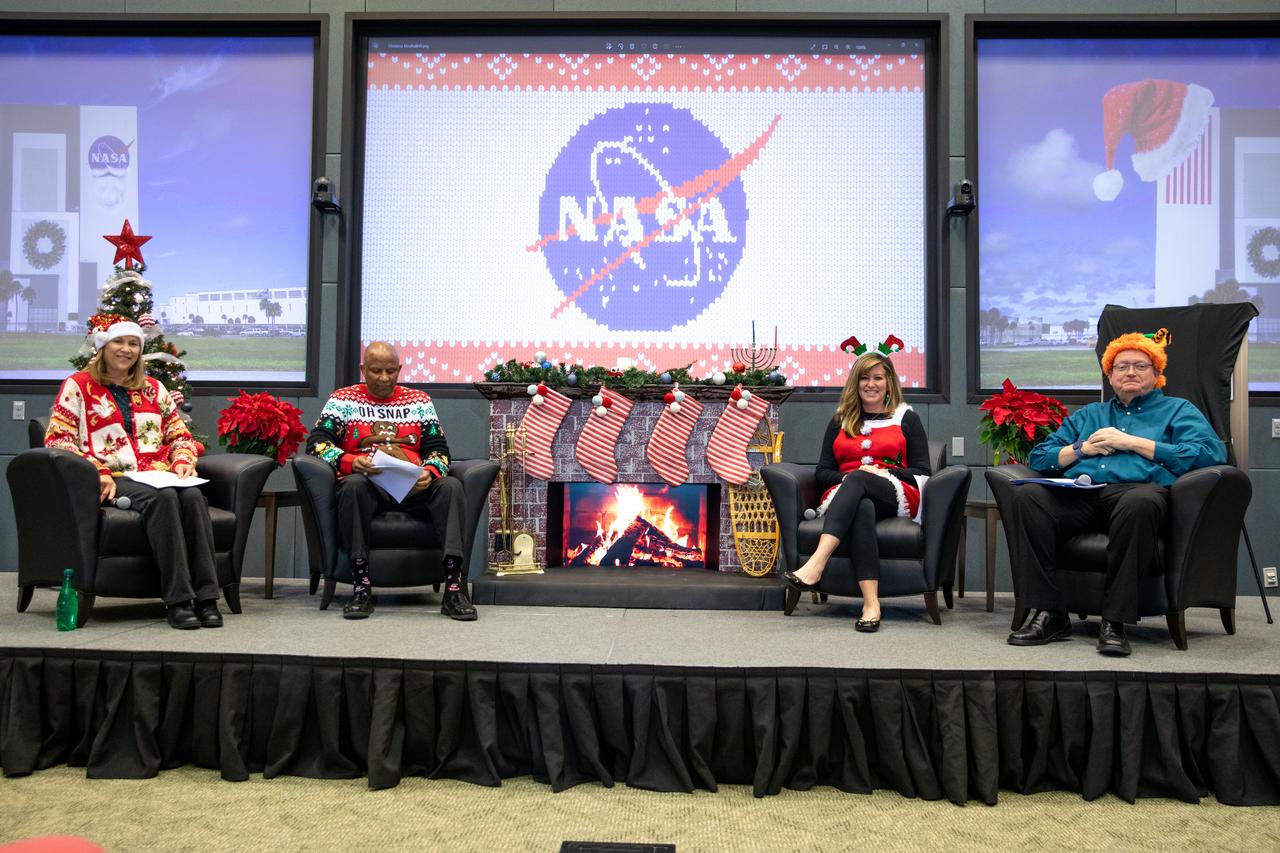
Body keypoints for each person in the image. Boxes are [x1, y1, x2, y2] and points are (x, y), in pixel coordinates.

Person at [1006, 332, 1226, 656]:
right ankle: (1050, 612)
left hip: (1139, 493)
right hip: (1085, 494)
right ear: (1110, 375)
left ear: (1156, 373)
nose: (1130, 373)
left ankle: (1115, 622)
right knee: (1028, 498)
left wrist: (1133, 443)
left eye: (1140, 366)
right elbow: (1040, 457)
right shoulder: (1090, 415)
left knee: (1138, 503)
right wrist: (1081, 448)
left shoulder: (1178, 411)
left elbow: (1210, 454)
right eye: (1121, 367)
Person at [45, 318, 222, 630]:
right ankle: (179, 600)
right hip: (114, 477)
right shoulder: (79, 386)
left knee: (193, 495)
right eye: (119, 342)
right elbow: (58, 440)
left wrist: (182, 459)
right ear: (104, 346)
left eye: (133, 344)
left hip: (157, 472)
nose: (126, 350)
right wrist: (96, 471)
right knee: (165, 499)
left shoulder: (154, 389)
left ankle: (207, 598)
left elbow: (180, 435)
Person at [307, 341, 475, 621]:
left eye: (390, 371)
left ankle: (454, 590)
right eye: (375, 371)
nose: (383, 378)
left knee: (450, 487)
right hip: (368, 484)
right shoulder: (342, 400)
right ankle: (361, 587)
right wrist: (350, 462)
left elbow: (439, 450)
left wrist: (430, 472)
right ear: (363, 369)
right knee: (352, 486)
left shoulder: (419, 401)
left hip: (412, 486)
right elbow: (317, 444)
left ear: (399, 370)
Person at [780, 350, 931, 632]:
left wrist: (883, 472)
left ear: (889, 383)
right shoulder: (840, 420)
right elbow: (823, 472)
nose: (870, 384)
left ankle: (816, 563)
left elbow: (923, 470)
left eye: (877, 378)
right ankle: (871, 605)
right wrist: (852, 478)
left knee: (861, 481)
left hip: (895, 493)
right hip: (845, 494)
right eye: (864, 378)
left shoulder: (906, 417)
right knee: (862, 506)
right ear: (855, 383)